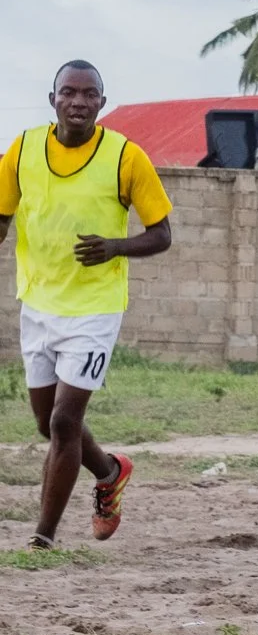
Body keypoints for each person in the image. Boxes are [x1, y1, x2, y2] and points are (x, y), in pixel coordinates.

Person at [0, 62, 172, 549]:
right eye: (69, 92)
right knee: (44, 423)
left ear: (102, 101)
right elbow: (1, 217)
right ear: (52, 98)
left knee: (63, 421)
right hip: (37, 303)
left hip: (95, 308)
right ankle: (111, 471)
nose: (79, 101)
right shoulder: (23, 150)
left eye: (89, 94)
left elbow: (162, 234)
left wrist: (115, 246)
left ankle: (43, 536)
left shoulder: (125, 157)